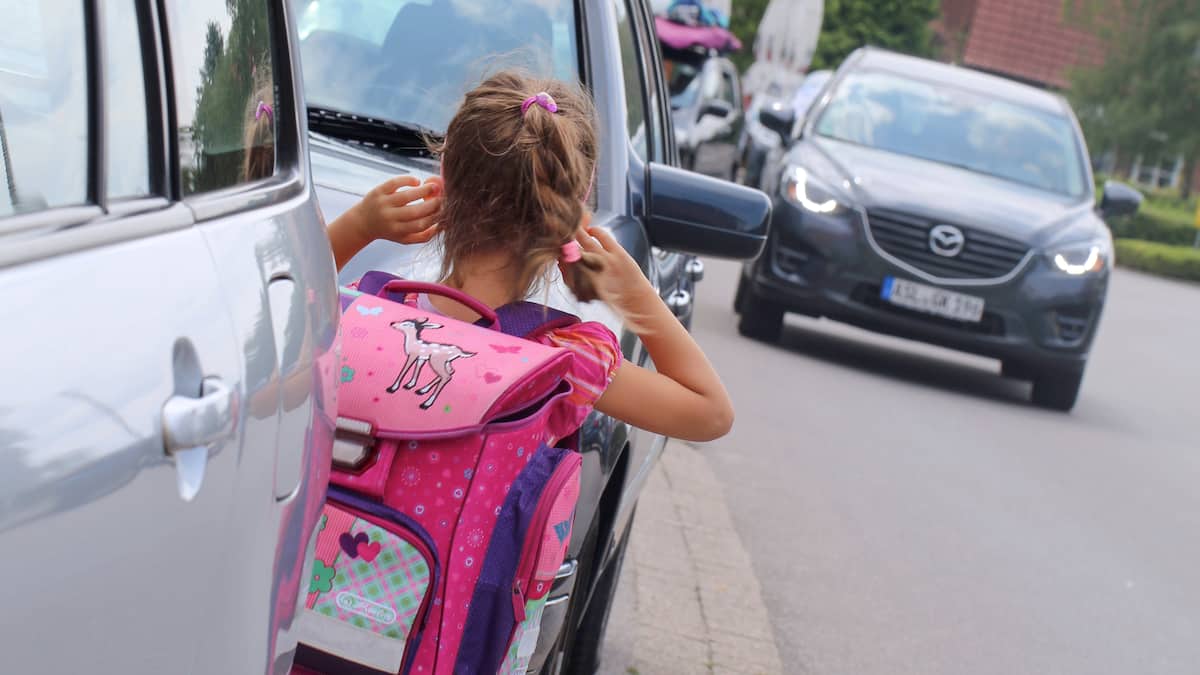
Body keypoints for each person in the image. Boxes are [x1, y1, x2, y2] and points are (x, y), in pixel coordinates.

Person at [325, 71, 734, 442]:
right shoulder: (562, 358)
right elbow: (711, 413)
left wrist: (356, 229)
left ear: (443, 183)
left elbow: (283, 316)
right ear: (569, 219)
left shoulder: (371, 311)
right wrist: (635, 295)